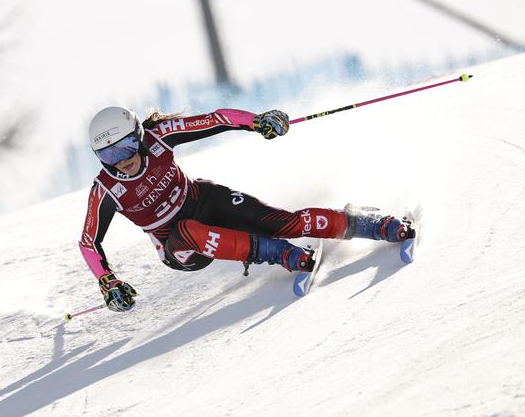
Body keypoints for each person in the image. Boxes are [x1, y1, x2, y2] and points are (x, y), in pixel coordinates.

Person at [79, 107, 413, 312]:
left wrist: (258, 122)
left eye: (124, 147)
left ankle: (373, 224)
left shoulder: (160, 137)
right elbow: (89, 242)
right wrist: (108, 282)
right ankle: (279, 254)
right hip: (178, 248)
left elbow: (216, 119)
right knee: (188, 232)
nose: (121, 160)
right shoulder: (106, 189)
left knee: (285, 222)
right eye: (108, 156)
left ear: (138, 136)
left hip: (203, 200)